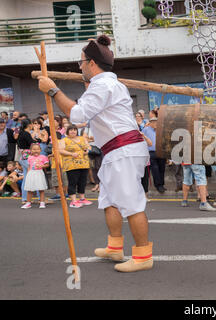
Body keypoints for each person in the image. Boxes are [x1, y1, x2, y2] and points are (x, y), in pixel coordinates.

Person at [38, 35, 153, 272]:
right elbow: (82, 117)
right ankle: (115, 247)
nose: (79, 67)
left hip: (124, 150)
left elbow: (78, 116)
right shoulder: (105, 85)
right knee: (109, 200)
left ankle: (143, 256)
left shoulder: (103, 85)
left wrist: (53, 91)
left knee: (131, 203)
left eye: (80, 62)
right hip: (115, 150)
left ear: (91, 63)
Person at [59, 125, 92, 208]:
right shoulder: (64, 140)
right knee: (72, 182)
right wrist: (71, 154)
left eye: (74, 130)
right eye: (71, 130)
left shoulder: (82, 138)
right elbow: (60, 150)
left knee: (82, 181)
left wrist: (87, 150)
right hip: (71, 164)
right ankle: (73, 201)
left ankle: (82, 198)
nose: (73, 131)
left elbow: (88, 147)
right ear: (67, 131)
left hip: (83, 163)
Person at [142, 117, 166, 194]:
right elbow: (142, 139)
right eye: (154, 122)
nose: (156, 124)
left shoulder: (161, 130)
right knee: (155, 169)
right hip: (151, 152)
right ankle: (158, 185)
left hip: (161, 152)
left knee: (162, 169)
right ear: (151, 123)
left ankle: (162, 184)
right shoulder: (146, 130)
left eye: (157, 122)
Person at [21, 143, 49, 209]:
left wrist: (42, 166)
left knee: (41, 189)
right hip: (31, 173)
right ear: (30, 150)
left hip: (39, 173)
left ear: (40, 150)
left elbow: (47, 165)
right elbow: (29, 166)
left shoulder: (43, 157)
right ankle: (28, 203)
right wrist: (28, 174)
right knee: (29, 189)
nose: (36, 150)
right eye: (34, 149)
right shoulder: (29, 157)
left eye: (37, 149)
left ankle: (42, 202)